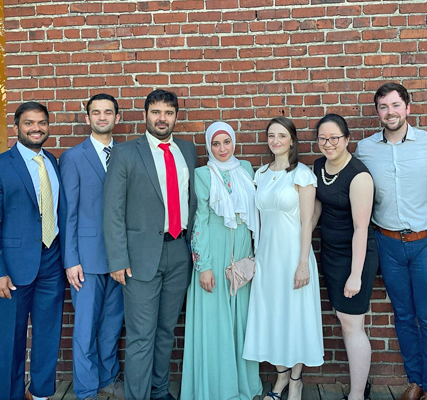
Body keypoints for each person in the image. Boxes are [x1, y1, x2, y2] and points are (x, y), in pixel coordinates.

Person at [355, 83, 427, 400]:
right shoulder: (365, 149)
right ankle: (415, 381)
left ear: (408, 108)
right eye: (383, 107)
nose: (390, 112)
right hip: (389, 243)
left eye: (396, 105)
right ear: (378, 112)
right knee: (404, 315)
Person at [103, 90, 197, 400]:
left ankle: (158, 392)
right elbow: (113, 211)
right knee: (141, 336)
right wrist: (117, 259)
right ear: (146, 115)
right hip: (140, 258)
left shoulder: (188, 150)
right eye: (156, 112)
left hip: (179, 252)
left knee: (166, 332)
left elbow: (192, 202)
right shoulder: (127, 153)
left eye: (168, 113)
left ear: (175, 117)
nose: (162, 118)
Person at [0, 101, 66, 400]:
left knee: (48, 334)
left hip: (51, 262)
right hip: (12, 270)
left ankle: (40, 393)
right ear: (16, 128)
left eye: (41, 122)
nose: (36, 128)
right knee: (11, 340)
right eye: (29, 123)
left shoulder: (52, 161)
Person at [243, 116, 324, 400]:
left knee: (296, 317)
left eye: (281, 135)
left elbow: (307, 222)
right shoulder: (260, 174)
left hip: (294, 256)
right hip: (267, 257)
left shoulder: (302, 174)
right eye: (271, 136)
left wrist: (303, 263)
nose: (275, 141)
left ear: (292, 140)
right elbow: (258, 221)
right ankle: (280, 378)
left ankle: (297, 380)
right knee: (271, 317)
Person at [181, 121, 262, 400]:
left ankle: (242, 385)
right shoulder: (202, 174)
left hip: (241, 259)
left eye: (226, 142)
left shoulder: (247, 170)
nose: (222, 148)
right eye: (216, 144)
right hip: (212, 258)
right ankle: (216, 390)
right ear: (208, 147)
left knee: (240, 324)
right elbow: (199, 221)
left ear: (234, 142)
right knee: (214, 325)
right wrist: (202, 266)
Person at [60, 93, 125, 400]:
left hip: (120, 258)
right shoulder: (73, 157)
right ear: (87, 118)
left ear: (117, 117)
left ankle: (108, 379)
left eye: (108, 112)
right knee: (85, 329)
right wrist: (71, 260)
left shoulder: (126, 154)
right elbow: (68, 212)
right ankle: (86, 390)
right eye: (96, 112)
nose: (102, 117)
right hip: (85, 261)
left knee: (112, 326)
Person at [313, 114, 377, 400]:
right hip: (330, 254)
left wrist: (355, 274)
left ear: (347, 139)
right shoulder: (318, 167)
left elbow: (362, 228)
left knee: (352, 322)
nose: (328, 144)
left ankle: (356, 395)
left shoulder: (359, 176)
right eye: (323, 138)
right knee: (342, 317)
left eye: (334, 138)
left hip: (355, 256)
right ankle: (359, 388)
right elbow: (315, 211)